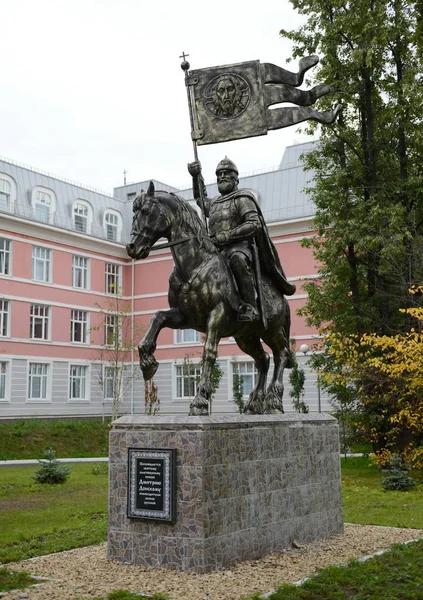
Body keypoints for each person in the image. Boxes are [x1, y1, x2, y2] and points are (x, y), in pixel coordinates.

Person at [188, 157, 296, 322]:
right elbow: (200, 199)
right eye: (219, 174)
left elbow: (254, 224)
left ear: (235, 178)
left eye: (226, 173)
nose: (222, 176)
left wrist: (228, 235)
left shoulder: (243, 198)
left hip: (239, 247)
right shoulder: (216, 202)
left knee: (237, 260)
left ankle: (250, 307)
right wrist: (196, 177)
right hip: (217, 249)